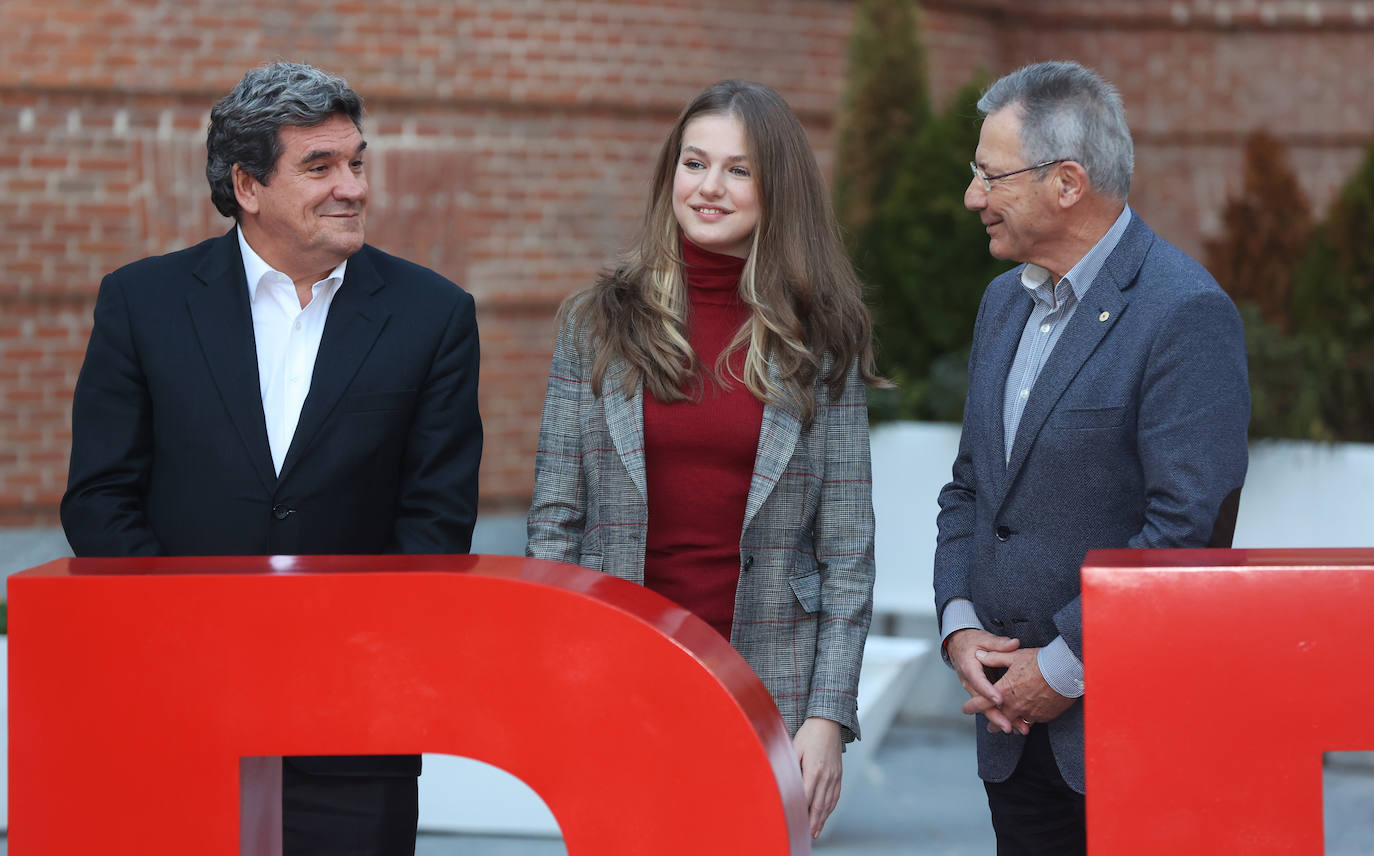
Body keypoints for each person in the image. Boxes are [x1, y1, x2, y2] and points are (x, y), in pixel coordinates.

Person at [60, 62, 482, 856]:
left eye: (356, 162)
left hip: (354, 723)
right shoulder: (141, 303)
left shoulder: (434, 316)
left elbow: (434, 525)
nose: (351, 186)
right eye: (318, 168)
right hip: (176, 704)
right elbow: (100, 499)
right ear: (248, 186)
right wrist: (194, 637)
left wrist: (338, 660)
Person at [526, 79, 881, 838]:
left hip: (769, 683)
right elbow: (555, 522)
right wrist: (562, 672)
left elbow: (847, 550)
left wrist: (827, 717)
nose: (710, 187)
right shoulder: (596, 322)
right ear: (670, 175)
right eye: (695, 163)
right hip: (620, 674)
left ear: (774, 190)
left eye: (739, 170)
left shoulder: (822, 337)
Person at [934, 61, 1250, 855]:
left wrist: (1065, 667)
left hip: (1127, 737)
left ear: (1067, 182)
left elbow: (1186, 528)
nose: (972, 197)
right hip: (1009, 736)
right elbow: (971, 489)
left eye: (988, 175)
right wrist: (960, 629)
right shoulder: (1002, 303)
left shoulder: (1185, 312)